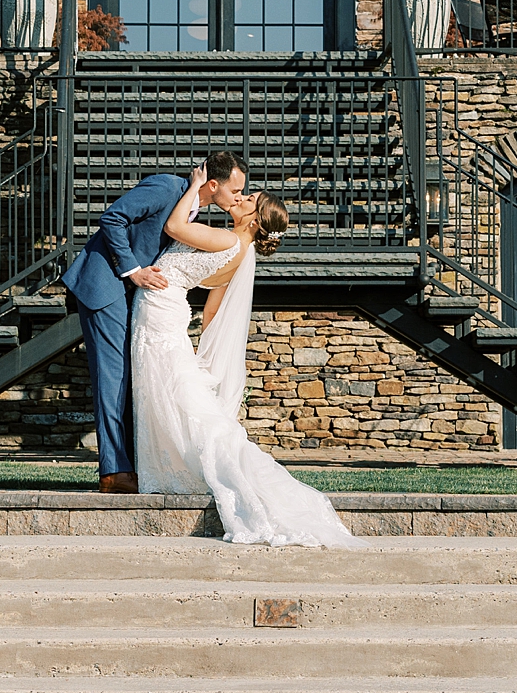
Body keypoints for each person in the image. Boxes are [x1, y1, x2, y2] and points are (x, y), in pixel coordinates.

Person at [128, 163, 363, 548]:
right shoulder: (237, 251)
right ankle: (170, 466)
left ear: (254, 221)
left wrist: (196, 185)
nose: (240, 197)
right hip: (166, 309)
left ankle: (176, 468)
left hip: (161, 309)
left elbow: (173, 229)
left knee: (171, 392)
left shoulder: (227, 241)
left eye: (248, 199)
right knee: (168, 390)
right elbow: (211, 310)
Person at [61, 152, 248, 493]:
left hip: (130, 295)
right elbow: (112, 218)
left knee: (131, 377)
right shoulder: (165, 187)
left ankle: (132, 464)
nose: (238, 198)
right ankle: (114, 471)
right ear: (213, 185)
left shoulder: (190, 208)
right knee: (113, 376)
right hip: (105, 284)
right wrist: (134, 271)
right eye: (235, 191)